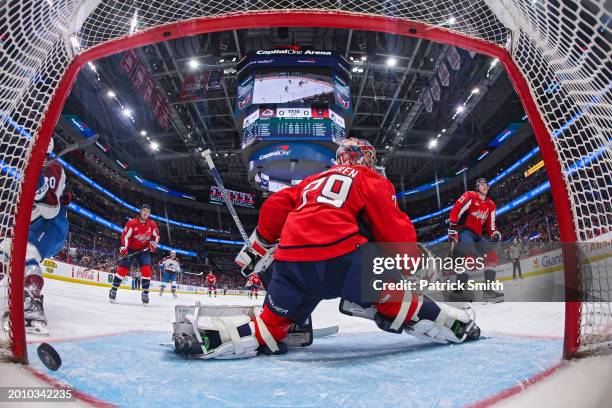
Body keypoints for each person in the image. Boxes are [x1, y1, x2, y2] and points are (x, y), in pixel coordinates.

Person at [178, 138, 480, 359]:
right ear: (365, 159)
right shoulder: (370, 178)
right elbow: (393, 229)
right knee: (398, 304)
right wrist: (409, 264)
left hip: (291, 264)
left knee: (269, 327)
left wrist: (259, 247)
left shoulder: (311, 180)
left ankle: (212, 337)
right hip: (345, 259)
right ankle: (456, 325)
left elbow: (274, 206)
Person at [0, 139, 71, 334]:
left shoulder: (54, 169)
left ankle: (32, 304)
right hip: (31, 224)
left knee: (25, 252)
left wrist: (39, 186)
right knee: (4, 250)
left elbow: (51, 209)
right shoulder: (24, 167)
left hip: (52, 224)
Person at [447, 178, 503, 302]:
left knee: (492, 257)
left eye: (486, 184)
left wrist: (495, 234)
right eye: (482, 184)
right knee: (469, 258)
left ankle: (488, 292)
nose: (485, 186)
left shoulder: (491, 205)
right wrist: (452, 225)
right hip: (464, 232)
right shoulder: (469, 196)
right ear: (477, 187)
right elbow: (456, 209)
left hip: (477, 235)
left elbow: (491, 226)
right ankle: (458, 292)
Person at [109, 204, 159, 304]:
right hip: (131, 249)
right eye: (144, 210)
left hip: (144, 251)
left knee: (146, 270)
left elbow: (156, 236)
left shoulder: (152, 224)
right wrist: (124, 248)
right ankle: (114, 289)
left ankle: (145, 293)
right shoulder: (132, 223)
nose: (146, 213)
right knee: (123, 269)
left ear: (149, 214)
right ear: (140, 211)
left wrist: (153, 244)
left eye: (148, 211)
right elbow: (125, 236)